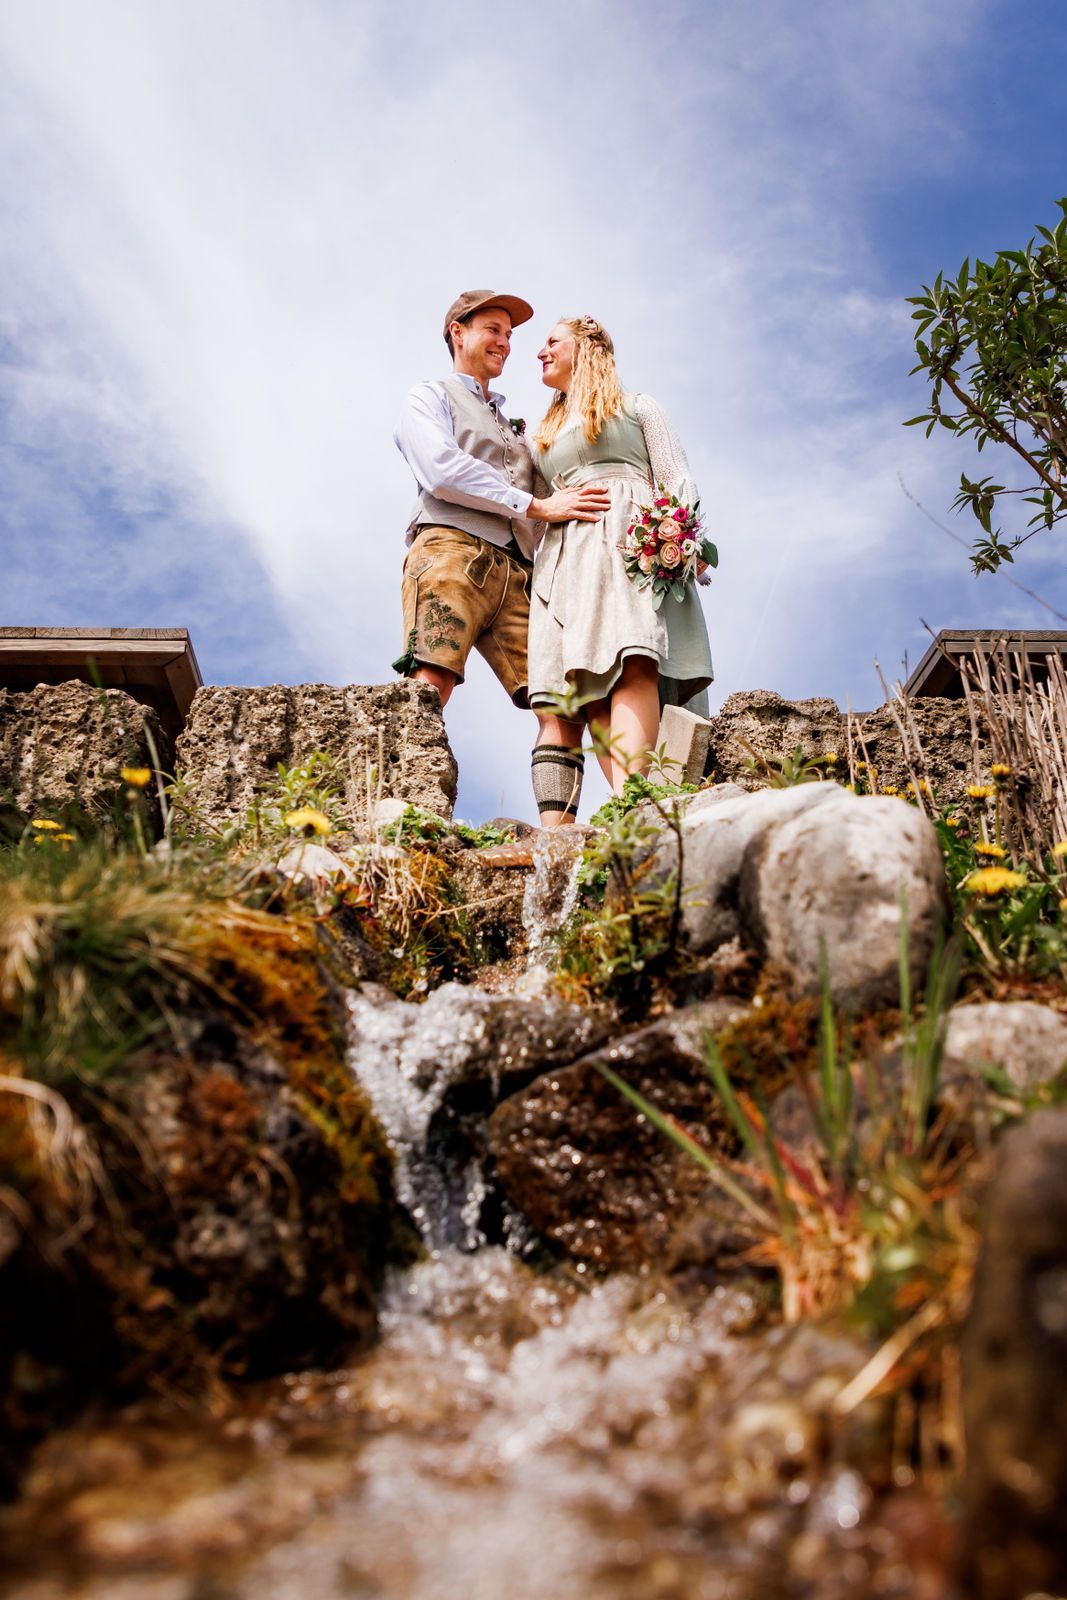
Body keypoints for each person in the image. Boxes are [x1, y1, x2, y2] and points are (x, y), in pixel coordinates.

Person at [393, 290, 610, 826]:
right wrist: (535, 504)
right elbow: (441, 469)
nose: (505, 342)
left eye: (510, 335)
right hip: (450, 550)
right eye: (493, 328)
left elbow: (570, 477)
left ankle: (557, 838)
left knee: (561, 701)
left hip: (520, 572)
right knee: (432, 676)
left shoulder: (518, 428)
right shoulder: (430, 396)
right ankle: (405, 814)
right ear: (457, 333)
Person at [528, 315, 714, 806]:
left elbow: (676, 476)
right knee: (591, 683)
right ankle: (629, 806)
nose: (540, 352)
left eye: (551, 342)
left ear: (586, 347)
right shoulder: (543, 435)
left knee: (634, 660)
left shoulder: (637, 407)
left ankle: (640, 800)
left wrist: (681, 539)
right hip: (570, 557)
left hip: (629, 543)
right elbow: (541, 502)